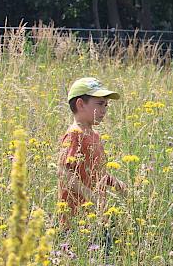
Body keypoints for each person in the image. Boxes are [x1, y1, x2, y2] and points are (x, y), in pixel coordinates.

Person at [57, 77, 127, 250]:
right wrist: (91, 196)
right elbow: (64, 174)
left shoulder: (94, 135)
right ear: (80, 104)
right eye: (100, 104)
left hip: (96, 217)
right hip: (75, 221)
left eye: (106, 106)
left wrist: (114, 182)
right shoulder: (75, 135)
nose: (104, 110)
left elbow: (94, 171)